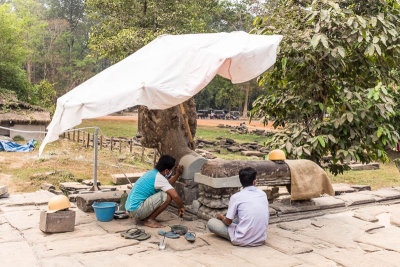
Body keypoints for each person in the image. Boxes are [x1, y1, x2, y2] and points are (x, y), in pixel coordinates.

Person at [207, 167, 269, 246]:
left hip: (242, 239)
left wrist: (221, 217)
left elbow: (228, 222)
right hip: (260, 239)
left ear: (241, 182)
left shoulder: (236, 197)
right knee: (238, 218)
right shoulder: (263, 194)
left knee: (211, 222)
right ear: (255, 182)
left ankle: (239, 234)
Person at [125, 155, 185, 228]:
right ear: (166, 171)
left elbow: (167, 184)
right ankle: (150, 220)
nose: (171, 172)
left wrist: (178, 174)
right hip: (136, 211)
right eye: (171, 170)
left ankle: (145, 216)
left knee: (167, 192)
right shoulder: (159, 178)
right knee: (168, 196)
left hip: (131, 209)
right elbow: (175, 196)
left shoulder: (152, 173)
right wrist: (181, 207)